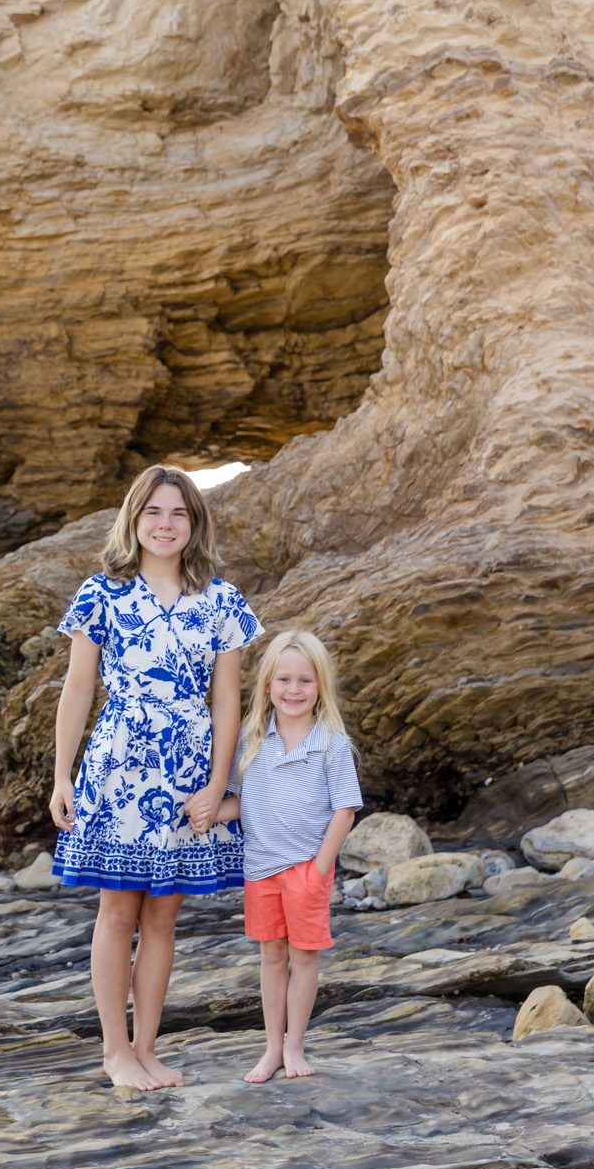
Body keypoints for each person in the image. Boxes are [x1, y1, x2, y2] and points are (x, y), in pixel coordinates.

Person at [49, 465, 263, 1090]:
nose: (165, 525)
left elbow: (228, 702)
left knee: (163, 917)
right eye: (153, 513)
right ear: (133, 520)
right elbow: (78, 688)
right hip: (117, 768)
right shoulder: (101, 594)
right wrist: (62, 776)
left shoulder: (221, 602)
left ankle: (147, 1047)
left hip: (188, 771)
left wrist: (219, 784)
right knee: (117, 911)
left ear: (194, 525)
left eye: (178, 514)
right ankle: (114, 1050)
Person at [221, 629, 362, 1083]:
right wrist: (208, 810)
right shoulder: (252, 739)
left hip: (306, 868)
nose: (294, 690)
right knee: (271, 956)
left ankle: (295, 1044)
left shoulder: (332, 743)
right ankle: (270, 1048)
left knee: (304, 958)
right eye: (284, 680)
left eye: (305, 681)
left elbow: (345, 811)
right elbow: (240, 802)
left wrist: (319, 870)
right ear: (267, 685)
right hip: (260, 867)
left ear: (320, 686)